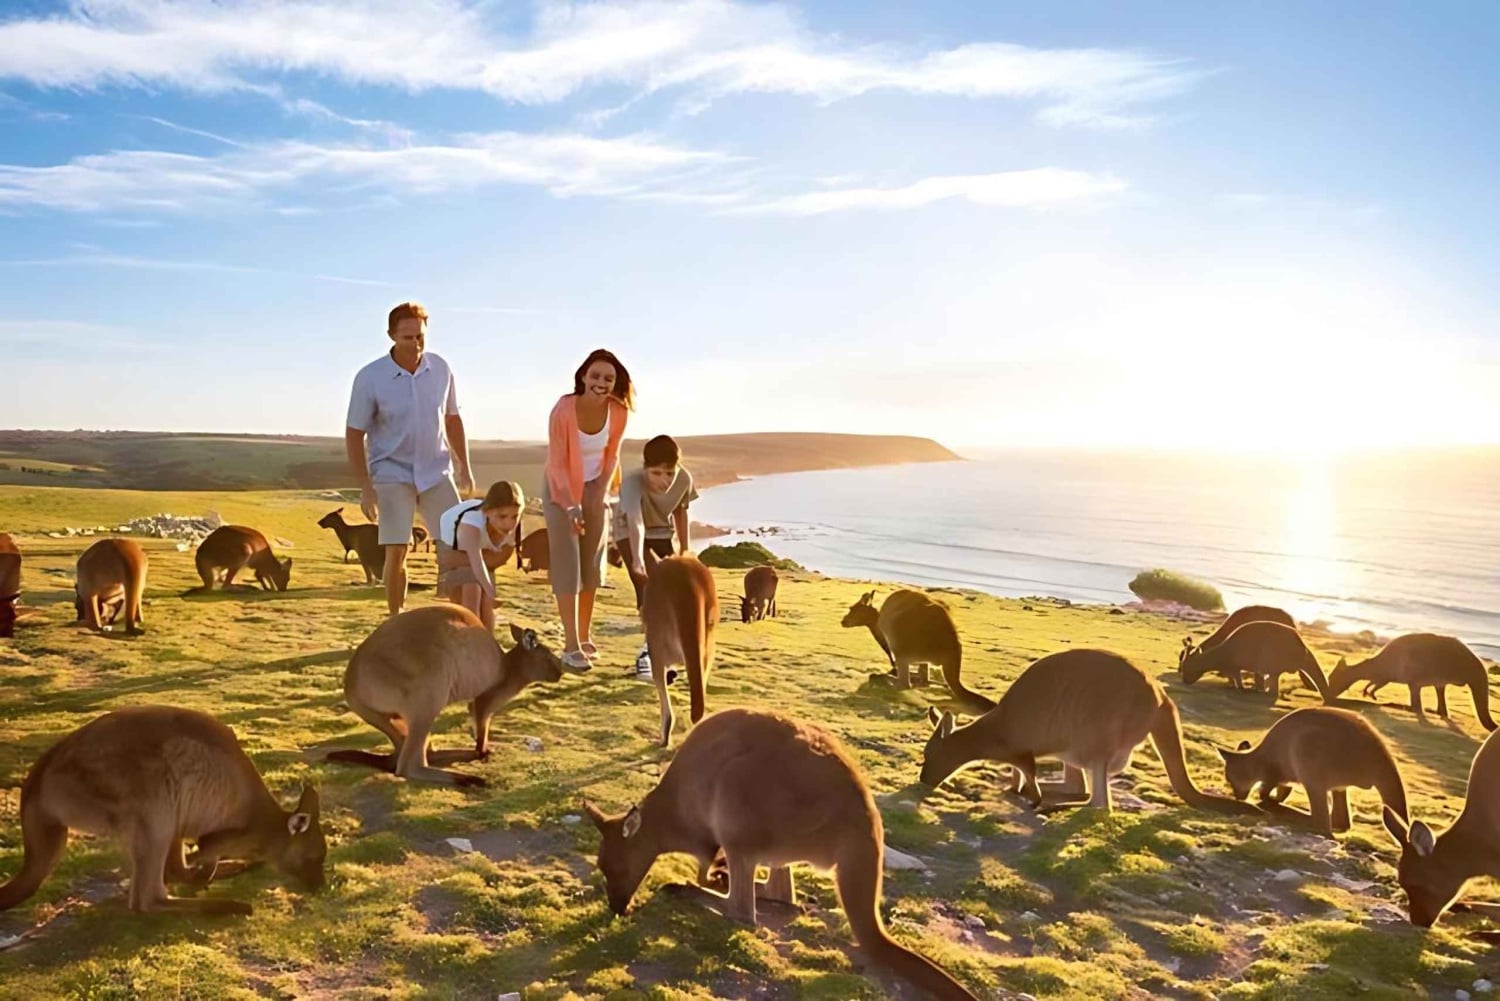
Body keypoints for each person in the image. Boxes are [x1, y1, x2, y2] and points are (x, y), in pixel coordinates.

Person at [345, 301, 474, 617]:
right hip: (391, 472)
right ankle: (395, 619)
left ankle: (462, 621)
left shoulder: (441, 368)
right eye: (408, 337)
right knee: (397, 548)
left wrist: (464, 467)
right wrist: (366, 487)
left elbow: (453, 420)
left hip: (435, 471)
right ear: (391, 335)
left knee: (458, 545)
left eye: (421, 336)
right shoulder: (370, 377)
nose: (416, 343)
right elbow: (353, 434)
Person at [543, 349, 633, 671]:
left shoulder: (619, 412)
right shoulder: (563, 410)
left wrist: (599, 493)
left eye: (608, 378)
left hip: (596, 487)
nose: (601, 383)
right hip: (560, 489)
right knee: (568, 563)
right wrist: (570, 505)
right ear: (583, 376)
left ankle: (585, 633)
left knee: (591, 563)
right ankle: (570, 644)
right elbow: (556, 464)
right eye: (595, 376)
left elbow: (612, 457)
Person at [614, 434, 698, 679]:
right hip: (628, 532)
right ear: (645, 468)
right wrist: (638, 558)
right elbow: (635, 521)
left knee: (677, 589)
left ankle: (667, 651)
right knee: (649, 587)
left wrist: (685, 549)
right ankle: (647, 656)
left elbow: (681, 512)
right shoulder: (631, 483)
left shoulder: (684, 479)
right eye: (656, 474)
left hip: (662, 531)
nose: (665, 481)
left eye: (669, 473)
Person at [435, 481, 524, 633]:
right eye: (502, 516)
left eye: (514, 516)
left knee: (486, 601)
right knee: (473, 587)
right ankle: (471, 635)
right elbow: (477, 562)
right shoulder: (471, 522)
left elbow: (500, 558)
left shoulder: (512, 525)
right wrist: (491, 591)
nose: (509, 523)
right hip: (452, 546)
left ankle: (488, 642)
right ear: (487, 512)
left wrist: (489, 593)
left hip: (476, 554)